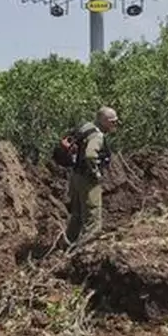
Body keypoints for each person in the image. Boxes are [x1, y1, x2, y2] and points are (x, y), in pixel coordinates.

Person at [65, 106, 119, 248]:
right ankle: (86, 249)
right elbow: (90, 154)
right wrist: (96, 173)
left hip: (75, 176)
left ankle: (67, 245)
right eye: (113, 121)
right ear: (104, 121)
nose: (115, 124)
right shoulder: (97, 136)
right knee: (93, 218)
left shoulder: (86, 127)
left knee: (76, 215)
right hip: (88, 180)